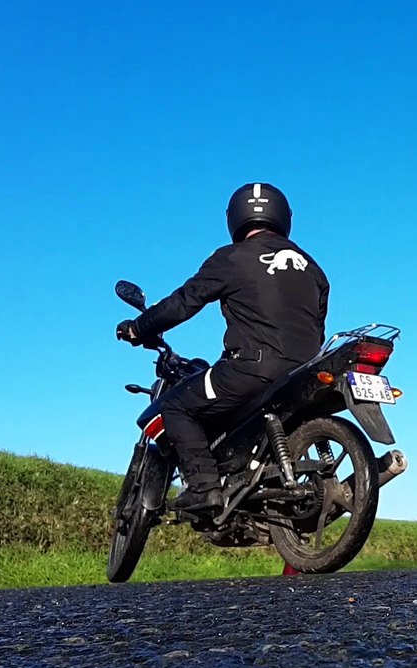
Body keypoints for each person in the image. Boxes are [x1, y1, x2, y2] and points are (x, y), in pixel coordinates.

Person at [116, 182, 330, 512]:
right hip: (305, 371)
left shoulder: (231, 258)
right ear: (283, 216)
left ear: (235, 217)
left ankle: (203, 488)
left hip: (252, 367)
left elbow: (184, 302)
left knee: (174, 406)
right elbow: (318, 326)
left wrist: (138, 328)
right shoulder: (313, 269)